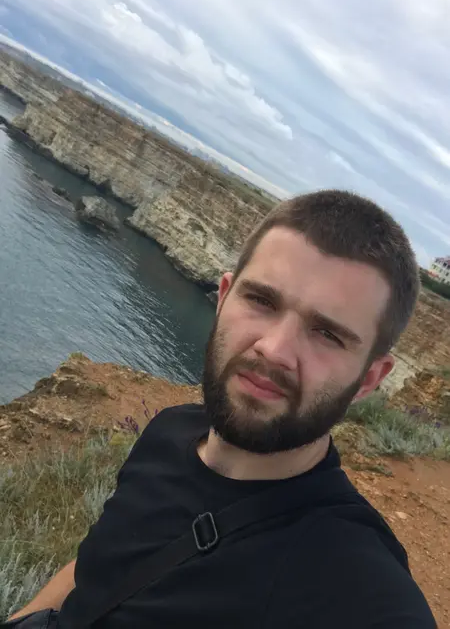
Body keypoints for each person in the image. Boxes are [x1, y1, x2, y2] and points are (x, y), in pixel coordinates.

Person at [9, 190, 436, 628]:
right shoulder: (168, 431)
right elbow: (94, 571)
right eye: (262, 301)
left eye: (327, 333)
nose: (274, 350)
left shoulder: (357, 587)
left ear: (369, 379)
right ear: (224, 297)